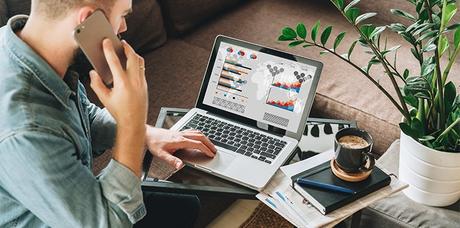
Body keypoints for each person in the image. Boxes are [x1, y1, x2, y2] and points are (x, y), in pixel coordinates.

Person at [0, 0, 217, 227]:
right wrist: (131, 124)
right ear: (88, 20)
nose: (123, 28)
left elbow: (84, 115)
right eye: (122, 15)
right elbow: (109, 223)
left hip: (67, 207)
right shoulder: (26, 128)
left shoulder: (23, 47)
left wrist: (145, 133)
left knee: (183, 208)